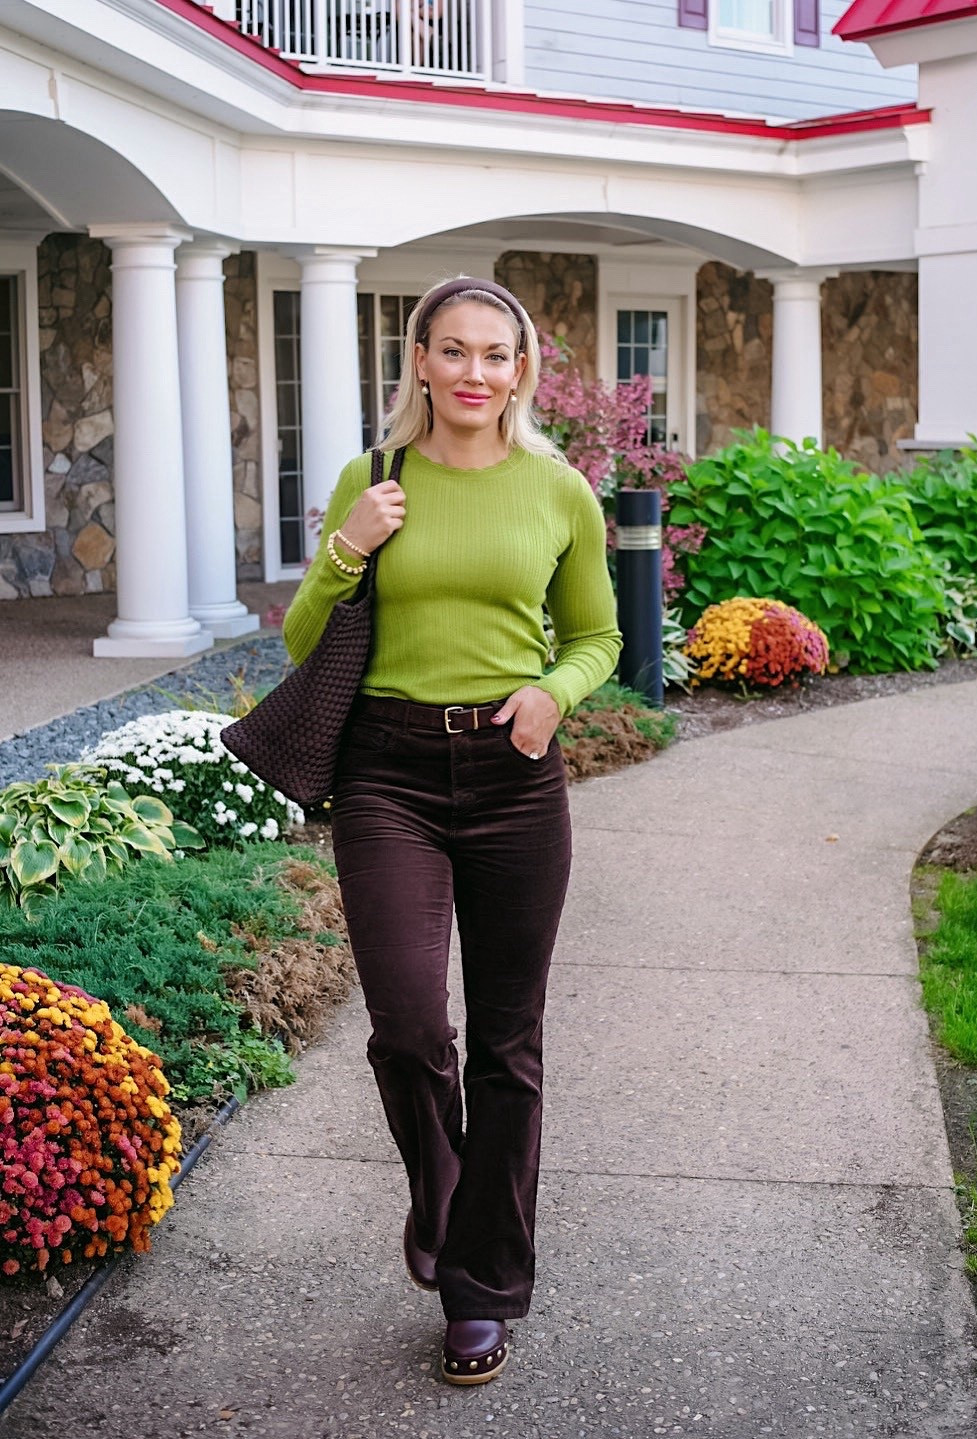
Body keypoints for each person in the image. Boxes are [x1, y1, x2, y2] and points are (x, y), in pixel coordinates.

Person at [282, 276, 621, 1385]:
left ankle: (478, 1289)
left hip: (517, 775)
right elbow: (299, 641)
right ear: (419, 362)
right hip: (387, 775)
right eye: (456, 351)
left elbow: (598, 634)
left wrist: (554, 695)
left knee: (509, 1045)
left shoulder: (558, 489)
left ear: (521, 370)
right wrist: (344, 549)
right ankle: (448, 1208)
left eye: (499, 354)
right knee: (412, 1026)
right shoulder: (372, 481)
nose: (477, 373)